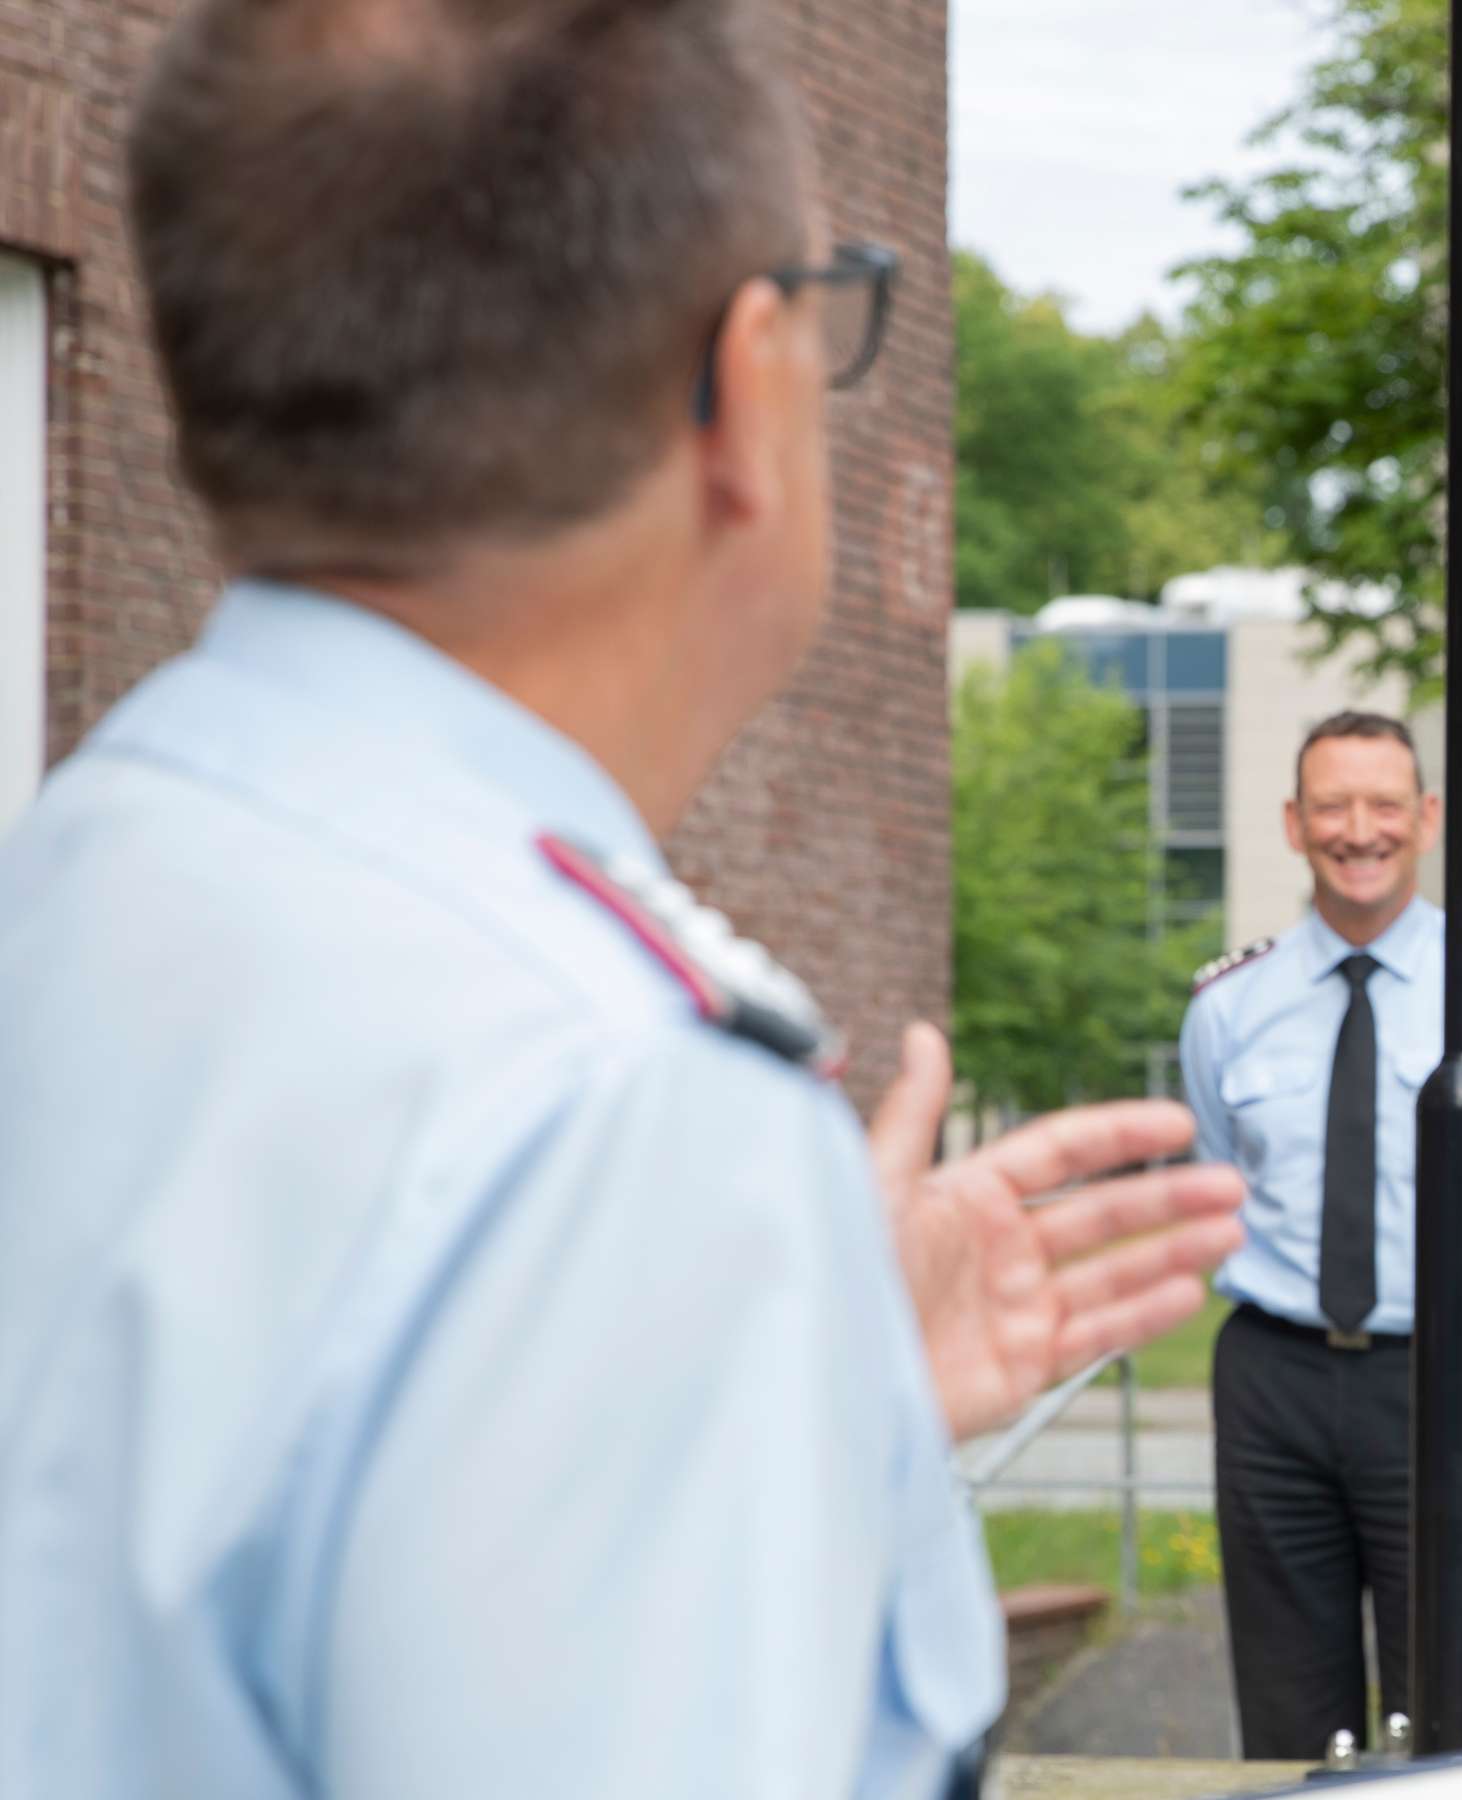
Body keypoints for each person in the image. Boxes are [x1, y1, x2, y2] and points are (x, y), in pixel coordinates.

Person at [0, 2, 1247, 1794]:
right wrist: (704, 1292)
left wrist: (806, 1374)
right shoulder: (620, 1115)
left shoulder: (85, 872)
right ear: (751, 382)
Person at [1177, 710, 1462, 1760]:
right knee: (1285, 1716)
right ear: (1291, 822)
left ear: (1425, 820)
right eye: (1330, 805)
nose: (1354, 830)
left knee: (1454, 1706)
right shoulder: (1228, 1009)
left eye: (1379, 806)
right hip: (1271, 1376)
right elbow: (1214, 1183)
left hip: (1445, 1381)